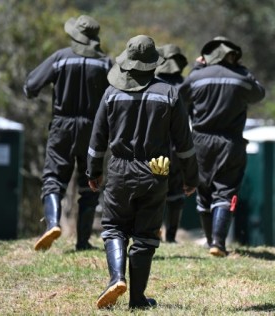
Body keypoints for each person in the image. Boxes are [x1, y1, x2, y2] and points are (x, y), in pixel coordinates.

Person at [87, 35, 198, 309]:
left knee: (114, 227)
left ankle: (116, 278)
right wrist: (191, 177)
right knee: (146, 235)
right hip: (155, 171)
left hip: (119, 170)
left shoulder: (112, 93)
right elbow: (184, 142)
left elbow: (97, 137)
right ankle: (137, 299)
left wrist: (93, 171)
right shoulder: (170, 93)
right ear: (153, 63)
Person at [23, 15, 112, 251]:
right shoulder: (105, 63)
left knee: (53, 178)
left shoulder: (60, 58)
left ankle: (52, 224)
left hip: (62, 126)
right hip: (93, 129)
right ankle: (83, 242)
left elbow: (31, 86)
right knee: (90, 182)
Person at [179, 36, 265, 257]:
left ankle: (210, 242)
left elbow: (181, 96)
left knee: (204, 192)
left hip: (199, 141)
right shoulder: (241, 77)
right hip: (230, 142)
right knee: (224, 192)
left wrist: (198, 68)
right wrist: (242, 70)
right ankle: (219, 243)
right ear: (232, 55)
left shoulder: (197, 76)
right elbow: (259, 93)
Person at [155, 44, 189, 243]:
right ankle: (172, 236)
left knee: (155, 187)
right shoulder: (186, 85)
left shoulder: (152, 84)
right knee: (176, 190)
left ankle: (153, 231)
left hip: (156, 145)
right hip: (179, 145)